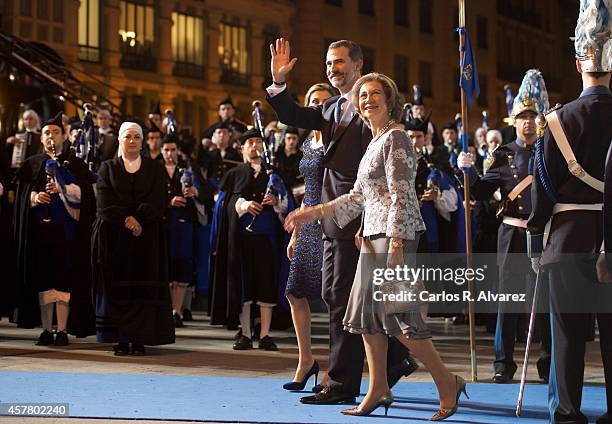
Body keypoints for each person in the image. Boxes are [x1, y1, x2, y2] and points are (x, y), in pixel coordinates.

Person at [285, 72, 466, 420]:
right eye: (362, 95)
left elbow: (400, 195)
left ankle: (447, 381)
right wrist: (311, 213)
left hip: (392, 238)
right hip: (371, 236)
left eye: (375, 94)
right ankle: (378, 388)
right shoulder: (374, 140)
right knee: (367, 320)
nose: (367, 99)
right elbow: (356, 198)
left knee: (399, 320)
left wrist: (396, 242)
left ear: (390, 99)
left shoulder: (396, 138)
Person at [267, 38, 416, 405]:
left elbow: (379, 176)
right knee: (341, 296)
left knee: (344, 298)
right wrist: (278, 82)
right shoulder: (330, 106)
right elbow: (292, 115)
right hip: (333, 217)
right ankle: (395, 361)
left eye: (339, 62)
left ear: (358, 64)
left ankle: (341, 382)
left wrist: (368, 222)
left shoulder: (373, 111)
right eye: (328, 63)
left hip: (360, 218)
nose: (332, 68)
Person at [528, 2, 612, 422]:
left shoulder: (557, 121)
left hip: (567, 239)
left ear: (579, 61)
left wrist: (534, 236)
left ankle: (566, 411)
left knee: (567, 333)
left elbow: (542, 190)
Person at [459, 69, 552, 384]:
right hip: (511, 234)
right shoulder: (503, 154)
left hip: (543, 234)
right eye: (523, 116)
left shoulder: (550, 151)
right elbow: (484, 192)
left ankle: (547, 363)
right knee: (508, 303)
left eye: (533, 115)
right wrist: (468, 172)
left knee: (544, 304)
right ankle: (503, 364)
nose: (528, 121)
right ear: (515, 121)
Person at [92, 122, 175, 356]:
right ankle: (120, 339)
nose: (132, 141)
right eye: (128, 136)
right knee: (118, 291)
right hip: (114, 238)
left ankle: (139, 339)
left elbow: (158, 198)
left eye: (136, 137)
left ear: (142, 142)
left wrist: (138, 219)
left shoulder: (155, 168)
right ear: (119, 139)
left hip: (146, 238)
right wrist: (127, 220)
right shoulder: (107, 168)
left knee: (142, 291)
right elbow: (104, 202)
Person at [13, 112, 96, 344]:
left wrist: (64, 190)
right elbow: (19, 198)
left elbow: (88, 196)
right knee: (43, 279)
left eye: (56, 132)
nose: (51, 136)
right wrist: (34, 197)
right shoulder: (32, 164)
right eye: (47, 133)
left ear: (64, 136)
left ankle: (62, 330)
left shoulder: (75, 164)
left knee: (64, 278)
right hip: (40, 233)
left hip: (67, 233)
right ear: (41, 138)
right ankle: (46, 329)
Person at [208, 128, 292, 351]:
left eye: (258, 142)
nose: (254, 146)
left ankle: (264, 334)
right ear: (242, 148)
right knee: (243, 285)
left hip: (267, 239)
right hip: (241, 239)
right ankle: (245, 333)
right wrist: (242, 205)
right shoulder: (234, 174)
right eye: (250, 143)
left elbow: (287, 206)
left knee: (266, 283)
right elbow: (222, 208)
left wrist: (276, 202)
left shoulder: (273, 174)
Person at [283, 83, 335, 391]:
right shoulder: (308, 141)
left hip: (330, 220)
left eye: (323, 102)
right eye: (312, 101)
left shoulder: (336, 139)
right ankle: (306, 361)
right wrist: (295, 234)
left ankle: (332, 365)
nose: (317, 105)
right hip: (307, 222)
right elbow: (307, 191)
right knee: (294, 291)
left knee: (331, 297)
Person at [162, 133, 213, 327]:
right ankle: (166, 311)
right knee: (166, 267)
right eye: (166, 150)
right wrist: (169, 201)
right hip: (163, 224)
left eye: (173, 150)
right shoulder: (155, 170)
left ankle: (177, 311)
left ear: (178, 151)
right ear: (161, 150)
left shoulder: (189, 170)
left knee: (183, 266)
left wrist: (196, 192)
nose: (169, 153)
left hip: (184, 225)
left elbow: (208, 193)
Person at [202, 122, 242, 188]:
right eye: (219, 132)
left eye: (225, 132)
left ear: (229, 135)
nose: (222, 135)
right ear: (214, 135)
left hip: (230, 189)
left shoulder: (235, 154)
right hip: (210, 190)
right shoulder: (208, 154)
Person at [275, 126, 303, 192]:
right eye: (289, 138)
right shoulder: (277, 153)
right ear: (284, 138)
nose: (291, 141)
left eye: (294, 138)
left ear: (298, 139)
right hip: (278, 188)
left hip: (295, 190)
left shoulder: (302, 156)